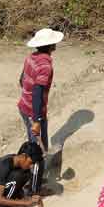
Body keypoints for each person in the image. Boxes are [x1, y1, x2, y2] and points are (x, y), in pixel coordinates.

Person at [18, 27, 64, 194]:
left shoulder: (31, 57)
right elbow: (37, 93)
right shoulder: (46, 66)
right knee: (37, 151)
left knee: (34, 144)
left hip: (24, 106)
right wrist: (36, 120)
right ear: (51, 45)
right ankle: (34, 187)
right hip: (34, 112)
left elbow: (22, 80)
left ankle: (31, 177)